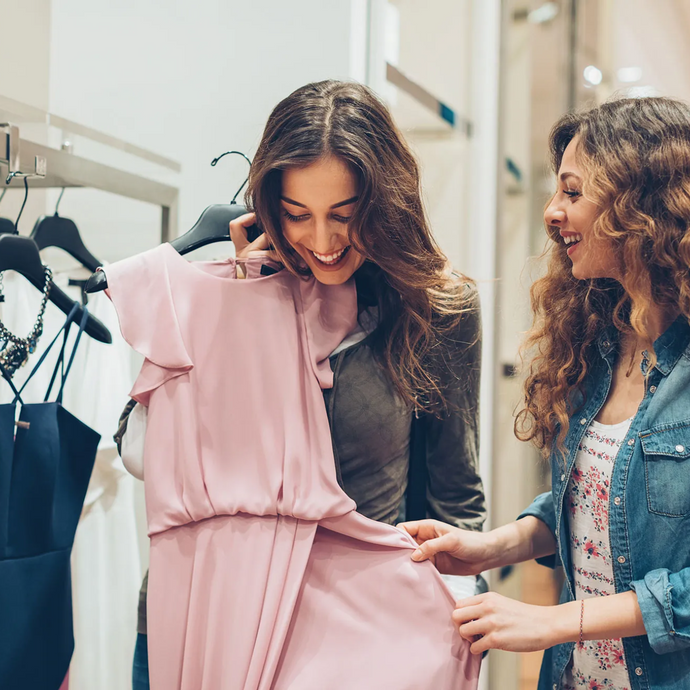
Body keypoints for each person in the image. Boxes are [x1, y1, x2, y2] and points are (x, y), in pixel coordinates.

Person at [116, 79, 486, 690]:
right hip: (202, 616)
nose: (322, 241)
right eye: (297, 215)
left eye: (346, 215)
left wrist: (458, 632)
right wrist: (240, 300)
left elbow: (456, 492)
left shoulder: (435, 307)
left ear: (385, 203)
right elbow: (144, 452)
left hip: (356, 634)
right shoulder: (223, 290)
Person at [401, 96, 690, 690]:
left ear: (640, 205)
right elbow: (591, 504)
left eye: (574, 191)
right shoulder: (599, 345)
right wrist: (488, 548)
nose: (552, 211)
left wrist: (556, 621)